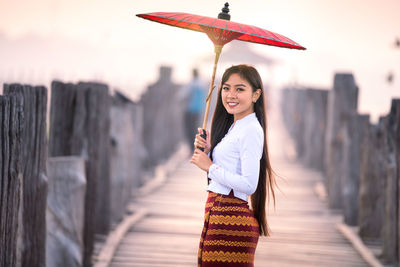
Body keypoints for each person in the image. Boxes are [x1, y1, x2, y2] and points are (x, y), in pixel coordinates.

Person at [190, 64, 277, 266]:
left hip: (230, 220)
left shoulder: (251, 130)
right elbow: (230, 168)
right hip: (218, 216)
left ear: (256, 95)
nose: (231, 95)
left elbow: (248, 184)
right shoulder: (237, 127)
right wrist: (208, 150)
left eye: (240, 89)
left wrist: (210, 167)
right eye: (226, 88)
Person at [183, 68, 206, 153]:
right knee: (196, 129)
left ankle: (191, 149)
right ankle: (196, 147)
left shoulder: (191, 84)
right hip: (199, 110)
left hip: (190, 110)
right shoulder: (202, 83)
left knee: (189, 130)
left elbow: (183, 95)